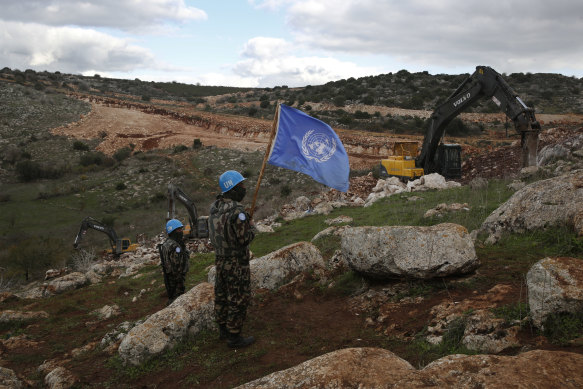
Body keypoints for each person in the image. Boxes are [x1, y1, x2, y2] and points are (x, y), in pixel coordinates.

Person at [209, 170, 256, 348]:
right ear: (233, 189)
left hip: (220, 260)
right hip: (237, 262)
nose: (244, 189)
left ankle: (223, 329)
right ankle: (234, 337)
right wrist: (251, 226)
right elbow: (244, 239)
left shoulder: (214, 207)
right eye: (241, 186)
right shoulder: (238, 211)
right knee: (238, 297)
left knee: (221, 295)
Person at [158, 219, 190, 306]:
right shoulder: (175, 246)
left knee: (173, 296)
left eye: (181, 229)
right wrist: (179, 279)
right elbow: (177, 265)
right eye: (178, 230)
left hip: (170, 276)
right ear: (173, 231)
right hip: (176, 278)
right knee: (178, 299)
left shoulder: (166, 243)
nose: (181, 231)